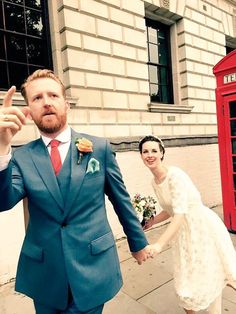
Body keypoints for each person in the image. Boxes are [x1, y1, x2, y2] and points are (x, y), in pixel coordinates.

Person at [0, 69, 151, 314]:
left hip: (92, 267)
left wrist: (137, 242)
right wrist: (2, 146)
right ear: (28, 110)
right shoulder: (21, 157)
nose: (46, 102)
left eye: (53, 95)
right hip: (44, 273)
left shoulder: (99, 148)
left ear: (66, 104)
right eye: (37, 98)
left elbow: (120, 199)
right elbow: (3, 200)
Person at [139, 135, 236, 314]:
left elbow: (179, 213)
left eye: (154, 151)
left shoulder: (174, 175)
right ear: (141, 156)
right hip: (183, 232)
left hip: (200, 227)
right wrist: (150, 223)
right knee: (186, 282)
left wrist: (160, 244)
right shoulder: (154, 182)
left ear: (162, 153)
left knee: (207, 272)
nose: (149, 155)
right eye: (145, 151)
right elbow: (169, 210)